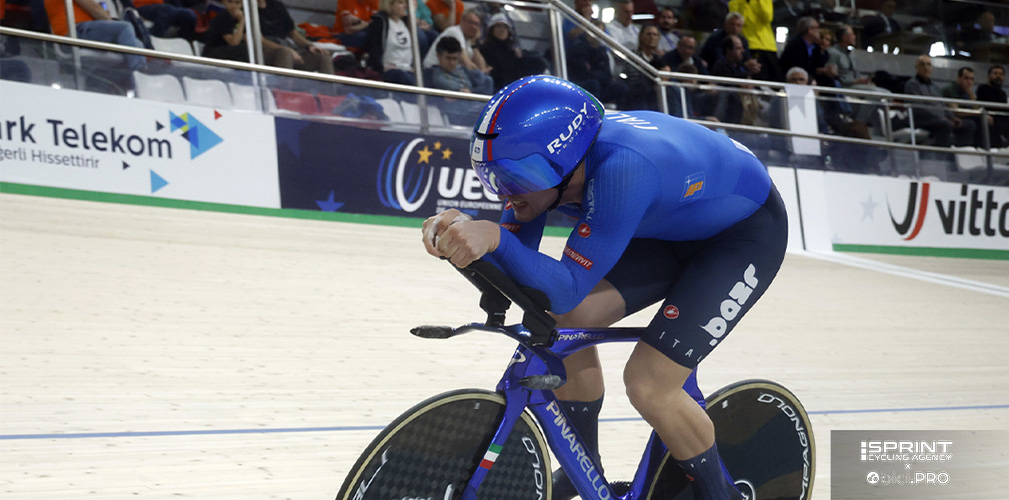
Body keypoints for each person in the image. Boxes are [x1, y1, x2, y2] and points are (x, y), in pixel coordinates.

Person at [422, 75, 787, 500]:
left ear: (562, 164)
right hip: (669, 226)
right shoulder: (548, 173)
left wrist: (496, 240)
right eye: (494, 177)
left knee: (651, 383)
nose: (506, 192)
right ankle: (585, 471)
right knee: (561, 324)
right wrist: (466, 238)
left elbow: (562, 286)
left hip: (741, 237)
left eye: (516, 177)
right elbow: (527, 278)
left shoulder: (621, 169)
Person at [43, 0, 146, 70]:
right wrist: (107, 18)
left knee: (136, 43)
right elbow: (94, 9)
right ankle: (140, 70)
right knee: (124, 29)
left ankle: (132, 79)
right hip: (75, 31)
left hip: (85, 30)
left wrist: (103, 14)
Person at [903, 55, 975, 148]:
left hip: (940, 119)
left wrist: (952, 117)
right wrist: (941, 118)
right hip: (921, 120)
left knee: (969, 125)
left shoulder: (935, 87)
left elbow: (943, 104)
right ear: (917, 67)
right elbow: (918, 108)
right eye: (922, 64)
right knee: (945, 125)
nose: (926, 67)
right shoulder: (912, 85)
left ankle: (964, 156)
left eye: (928, 64)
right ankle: (939, 157)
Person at [258, 0, 334, 74]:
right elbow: (258, 39)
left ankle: (329, 86)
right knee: (285, 53)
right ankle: (283, 86)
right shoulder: (249, 9)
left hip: (288, 48)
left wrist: (309, 46)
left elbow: (293, 33)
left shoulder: (277, 6)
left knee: (323, 56)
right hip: (265, 51)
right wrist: (286, 50)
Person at [479, 12, 548, 91]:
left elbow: (539, 64)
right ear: (492, 29)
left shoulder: (513, 52)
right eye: (498, 26)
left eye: (505, 27)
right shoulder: (484, 49)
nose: (502, 30)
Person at [365, 0, 416, 85]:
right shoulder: (380, 22)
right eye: (401, 2)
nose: (405, 6)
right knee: (406, 79)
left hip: (407, 69)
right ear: (390, 5)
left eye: (406, 3)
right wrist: (380, 68)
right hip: (389, 70)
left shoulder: (406, 23)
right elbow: (374, 49)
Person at [728, 0, 780, 82]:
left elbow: (767, 17)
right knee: (755, 77)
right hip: (749, 46)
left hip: (768, 46)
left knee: (774, 78)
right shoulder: (734, 2)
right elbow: (739, 21)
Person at [623, 24, 669, 110]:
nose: (652, 37)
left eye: (655, 35)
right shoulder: (633, 56)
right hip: (636, 93)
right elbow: (633, 78)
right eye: (649, 34)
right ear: (641, 37)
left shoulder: (659, 60)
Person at [778, 16, 833, 86]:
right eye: (817, 28)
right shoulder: (795, 44)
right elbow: (797, 65)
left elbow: (820, 63)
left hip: (812, 76)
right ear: (810, 30)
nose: (819, 31)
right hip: (796, 77)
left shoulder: (816, 46)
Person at [942, 67, 986, 148]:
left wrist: (971, 95)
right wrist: (976, 113)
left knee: (985, 120)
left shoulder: (968, 92)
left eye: (971, 79)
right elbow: (957, 112)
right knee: (976, 120)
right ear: (959, 78)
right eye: (966, 78)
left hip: (966, 117)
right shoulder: (950, 90)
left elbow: (976, 108)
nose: (969, 82)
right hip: (951, 118)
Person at [976, 65, 1009, 148]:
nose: (998, 76)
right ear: (989, 76)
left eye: (1001, 74)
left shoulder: (1003, 94)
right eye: (995, 73)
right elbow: (979, 105)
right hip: (988, 117)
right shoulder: (983, 89)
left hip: (1001, 118)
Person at [129, 0, 196, 40]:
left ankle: (183, 39)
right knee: (166, 12)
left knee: (190, 14)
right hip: (142, 8)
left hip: (165, 7)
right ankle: (151, 38)